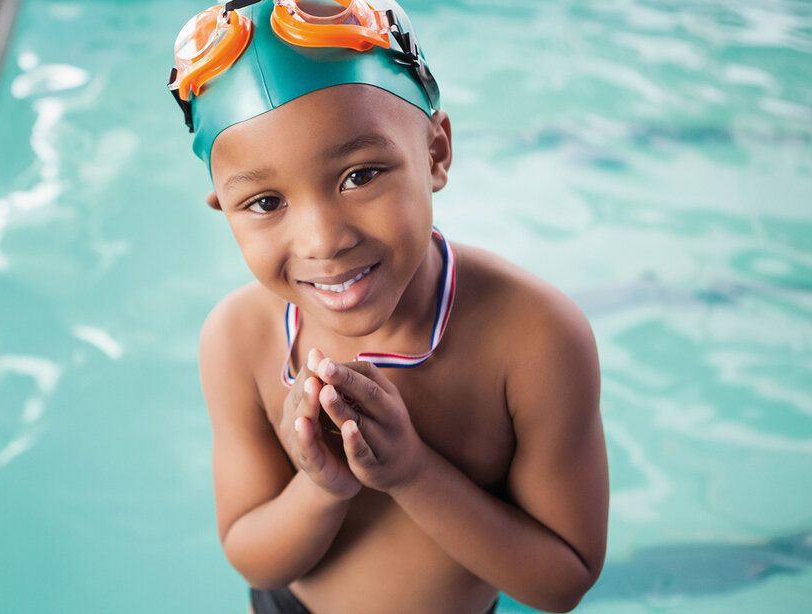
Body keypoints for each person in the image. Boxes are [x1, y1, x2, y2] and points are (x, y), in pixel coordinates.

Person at [169, 1, 609, 612]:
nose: (324, 240)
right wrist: (321, 489)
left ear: (435, 153)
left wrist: (412, 473)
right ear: (224, 208)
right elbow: (251, 553)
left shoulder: (534, 338)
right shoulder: (239, 340)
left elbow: (563, 579)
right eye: (267, 203)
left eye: (360, 175)